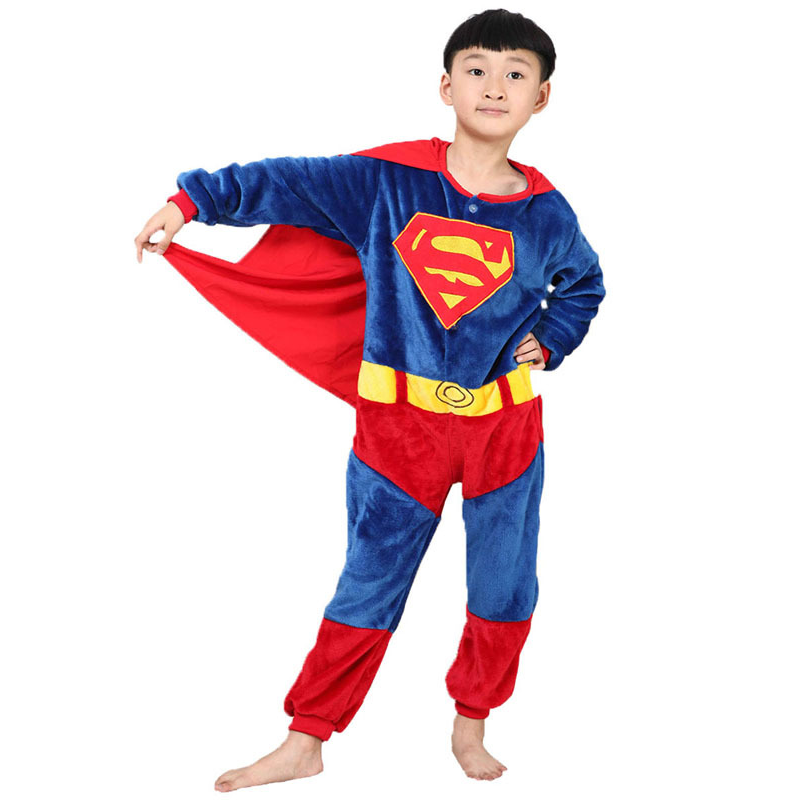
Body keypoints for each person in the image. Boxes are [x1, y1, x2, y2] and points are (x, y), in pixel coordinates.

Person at [134, 8, 606, 787]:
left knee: (504, 584)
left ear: (542, 97)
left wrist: (553, 336)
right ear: (446, 86)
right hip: (400, 430)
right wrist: (192, 202)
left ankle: (472, 722)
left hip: (505, 430)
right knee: (370, 578)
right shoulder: (386, 183)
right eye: (478, 70)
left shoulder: (547, 213)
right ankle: (307, 738)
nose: (495, 87)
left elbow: (583, 283)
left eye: (515, 73)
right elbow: (287, 181)